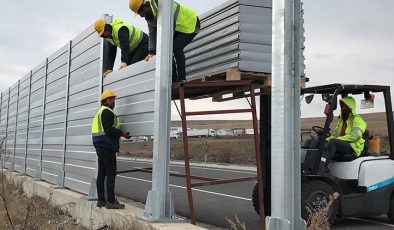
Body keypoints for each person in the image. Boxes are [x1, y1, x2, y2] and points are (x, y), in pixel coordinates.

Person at [129, 0, 200, 83]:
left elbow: (170, 27)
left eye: (139, 13)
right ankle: (173, 80)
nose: (141, 16)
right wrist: (152, 51)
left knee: (175, 47)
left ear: (145, 8)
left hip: (191, 23)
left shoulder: (163, 6)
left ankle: (182, 78)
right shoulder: (149, 17)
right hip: (179, 27)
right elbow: (152, 34)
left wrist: (164, 45)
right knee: (167, 49)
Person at [91, 90, 131, 209]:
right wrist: (122, 133)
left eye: (114, 99)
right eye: (111, 99)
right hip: (107, 146)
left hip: (100, 145)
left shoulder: (100, 111)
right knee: (111, 173)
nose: (113, 101)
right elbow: (108, 130)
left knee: (102, 173)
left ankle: (101, 200)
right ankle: (111, 201)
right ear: (105, 101)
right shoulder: (107, 112)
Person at [323, 96, 367, 172]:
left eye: (345, 106)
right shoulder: (342, 121)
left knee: (333, 142)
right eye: (342, 106)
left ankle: (323, 168)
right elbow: (335, 135)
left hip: (353, 146)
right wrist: (325, 140)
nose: (342, 108)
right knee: (322, 143)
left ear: (351, 107)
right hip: (343, 144)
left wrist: (336, 139)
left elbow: (354, 137)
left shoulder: (358, 121)